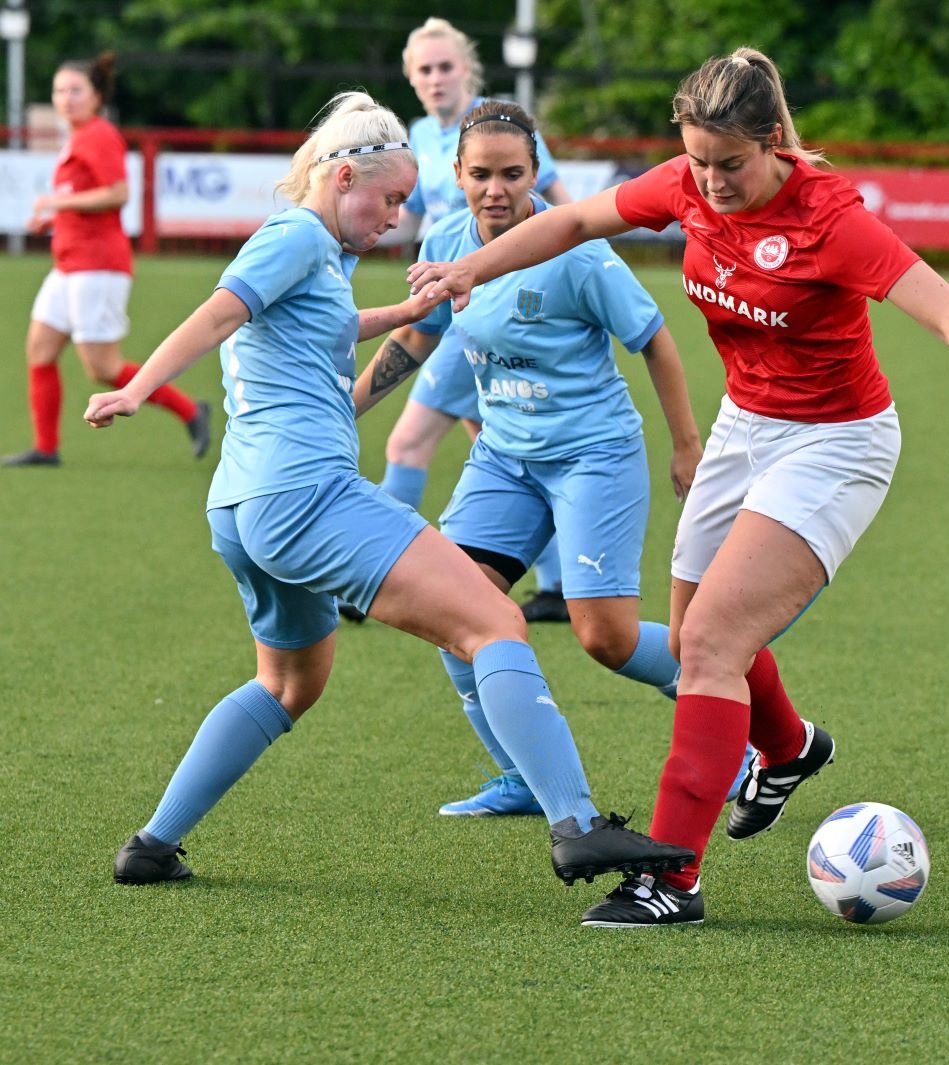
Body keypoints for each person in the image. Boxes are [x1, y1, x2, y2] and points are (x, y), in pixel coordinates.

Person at [410, 48, 949, 927]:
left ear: (774, 140)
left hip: (837, 443)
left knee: (706, 643)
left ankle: (672, 878)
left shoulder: (833, 221)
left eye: (729, 164)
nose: (709, 182)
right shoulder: (684, 182)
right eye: (697, 161)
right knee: (701, 630)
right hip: (745, 427)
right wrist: (474, 269)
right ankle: (786, 747)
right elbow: (575, 222)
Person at [85, 90, 692, 892]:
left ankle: (153, 844)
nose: (398, 216)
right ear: (342, 177)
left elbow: (317, 324)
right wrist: (139, 387)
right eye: (390, 197)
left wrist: (406, 311)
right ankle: (576, 826)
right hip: (307, 497)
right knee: (494, 621)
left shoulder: (315, 253)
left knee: (290, 683)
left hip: (242, 508)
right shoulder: (298, 234)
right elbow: (217, 313)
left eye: (409, 200)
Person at [357, 99, 743, 818]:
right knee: (456, 609)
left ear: (536, 173)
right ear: (458, 174)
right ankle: (522, 778)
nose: (495, 189)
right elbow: (418, 335)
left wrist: (688, 446)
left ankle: (738, 729)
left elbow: (654, 338)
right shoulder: (444, 242)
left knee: (608, 638)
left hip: (593, 456)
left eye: (512, 173)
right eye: (481, 174)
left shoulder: (579, 252)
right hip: (505, 459)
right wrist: (345, 407)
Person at [352, 17, 571, 623]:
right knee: (497, 446)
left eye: (445, 66)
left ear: (466, 70)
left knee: (407, 440)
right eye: (424, 69)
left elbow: (560, 208)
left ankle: (372, 579)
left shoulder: (496, 129)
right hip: (455, 310)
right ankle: (552, 585)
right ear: (410, 79)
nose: (435, 78)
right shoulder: (420, 135)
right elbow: (411, 209)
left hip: (482, 314)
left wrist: (581, 259)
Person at [4, 51, 209, 468]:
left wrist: (58, 202)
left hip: (97, 267)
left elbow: (118, 193)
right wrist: (56, 215)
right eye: (59, 90)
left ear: (97, 96)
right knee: (40, 351)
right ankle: (46, 448)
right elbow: (84, 203)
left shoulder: (98, 135)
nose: (66, 98)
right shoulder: (78, 138)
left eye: (76, 90)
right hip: (70, 265)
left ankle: (191, 411)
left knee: (103, 367)